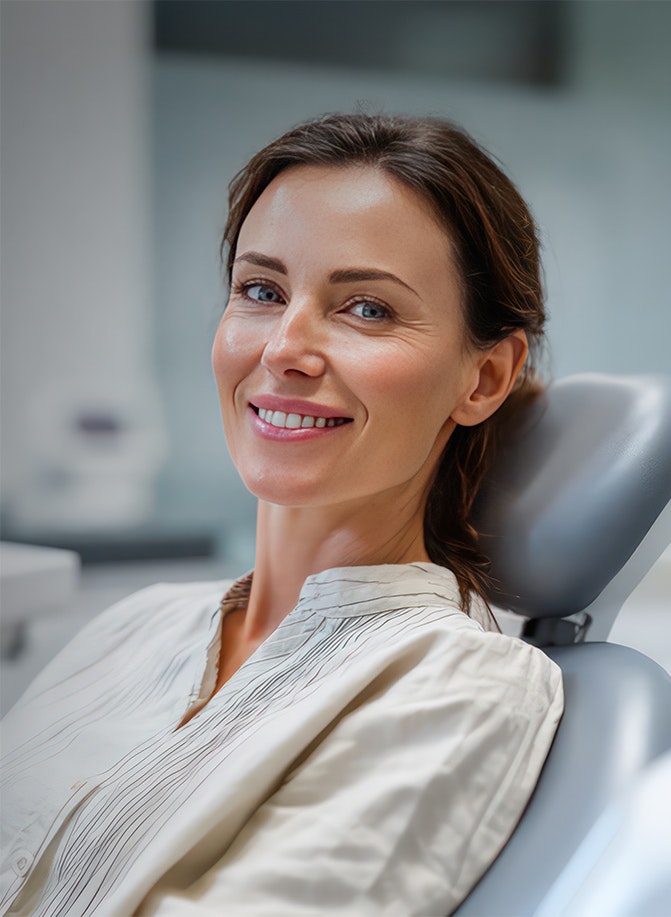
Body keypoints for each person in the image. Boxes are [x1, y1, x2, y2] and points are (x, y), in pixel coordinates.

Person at [0, 112, 563, 916]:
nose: (283, 347)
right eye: (261, 291)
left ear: (484, 377)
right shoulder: (136, 624)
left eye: (367, 308)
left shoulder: (458, 684)